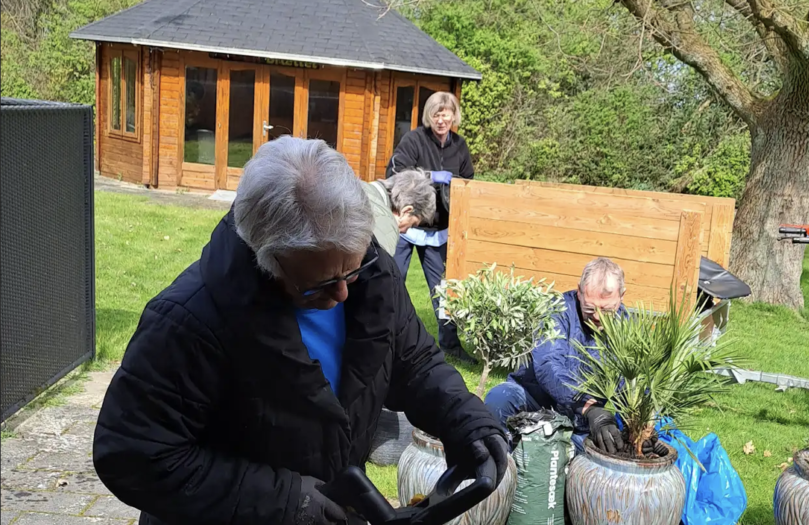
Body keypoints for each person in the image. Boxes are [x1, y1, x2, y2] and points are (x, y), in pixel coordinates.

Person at [92, 137, 509, 525]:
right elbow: (132, 454)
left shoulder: (371, 275)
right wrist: (285, 501)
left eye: (352, 269)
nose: (344, 293)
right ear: (266, 258)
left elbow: (414, 361)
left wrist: (465, 418)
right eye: (320, 285)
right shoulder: (189, 322)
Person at [483, 258, 629, 454]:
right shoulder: (556, 310)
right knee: (499, 398)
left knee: (606, 456)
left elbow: (630, 382)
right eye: (590, 309)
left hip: (579, 423)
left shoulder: (626, 326)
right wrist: (588, 407)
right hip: (533, 401)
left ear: (621, 296)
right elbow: (548, 365)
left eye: (607, 310)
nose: (597, 317)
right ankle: (501, 464)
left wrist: (638, 428)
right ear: (579, 292)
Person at [386, 91, 474, 363]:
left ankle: (450, 344)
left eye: (446, 113)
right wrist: (431, 176)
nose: (441, 119)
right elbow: (395, 172)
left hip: (438, 232)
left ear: (453, 116)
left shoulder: (460, 146)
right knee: (391, 280)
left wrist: (453, 180)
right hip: (408, 225)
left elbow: (469, 181)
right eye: (436, 114)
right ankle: (385, 336)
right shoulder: (414, 140)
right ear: (429, 116)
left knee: (443, 290)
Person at [363, 168, 436, 257]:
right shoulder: (386, 229)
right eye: (412, 225)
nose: (405, 232)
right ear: (406, 211)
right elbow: (378, 269)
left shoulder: (356, 187)